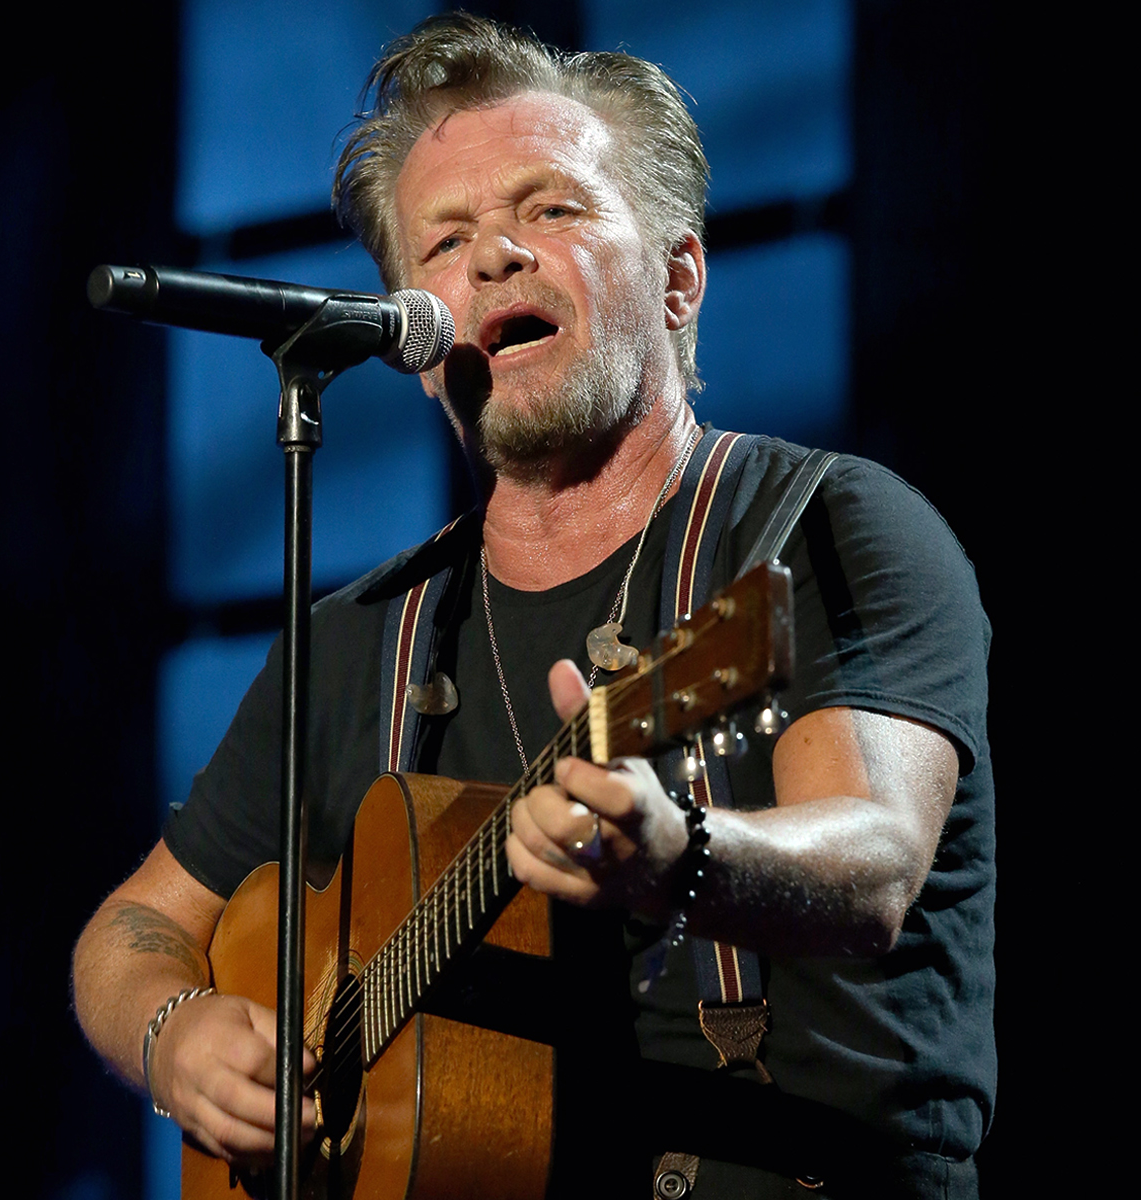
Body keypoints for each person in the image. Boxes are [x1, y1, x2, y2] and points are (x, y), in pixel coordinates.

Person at [71, 13, 992, 1198]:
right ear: (413, 334)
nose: (493, 257)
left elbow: (875, 859)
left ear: (678, 274)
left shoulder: (822, 529)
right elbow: (127, 934)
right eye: (444, 242)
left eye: (548, 209)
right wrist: (177, 1033)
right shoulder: (367, 640)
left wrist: (679, 852)